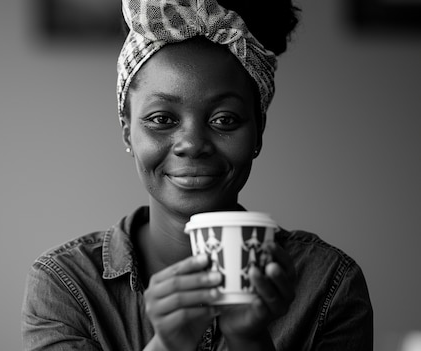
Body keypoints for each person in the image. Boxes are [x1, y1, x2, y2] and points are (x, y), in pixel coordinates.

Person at [21, 0, 373, 350]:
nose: (192, 144)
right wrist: (169, 345)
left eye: (224, 120)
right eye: (162, 119)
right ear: (128, 132)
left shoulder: (328, 283)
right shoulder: (66, 284)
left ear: (258, 131)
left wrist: (249, 340)